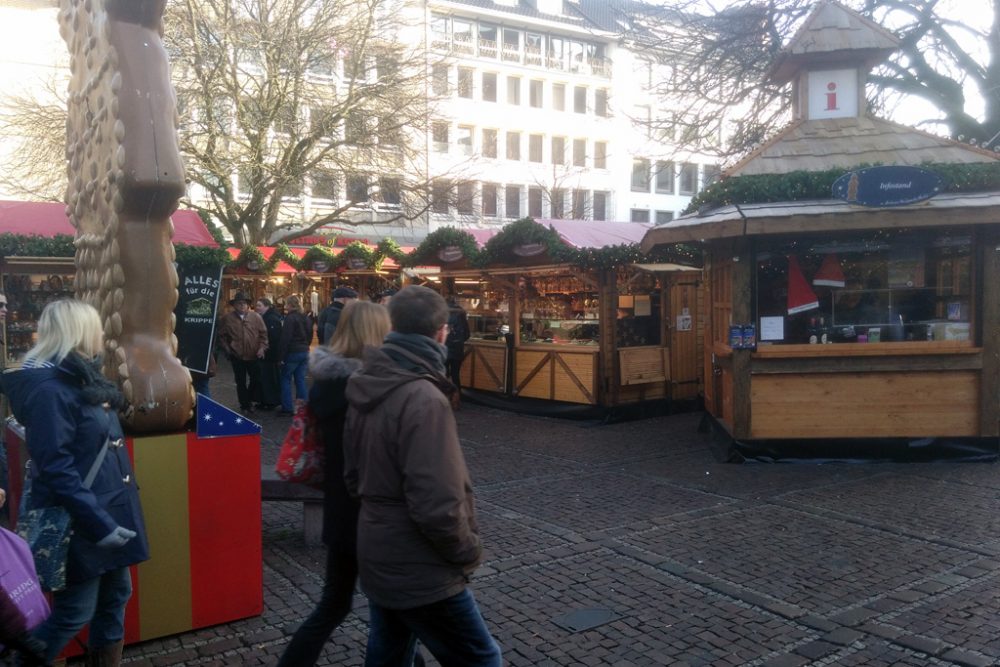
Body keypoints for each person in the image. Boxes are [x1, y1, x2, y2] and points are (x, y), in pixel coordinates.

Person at [344, 285, 501, 667]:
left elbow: (351, 475)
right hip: (419, 565)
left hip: (379, 547)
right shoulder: (423, 398)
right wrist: (467, 550)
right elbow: (436, 504)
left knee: (391, 653)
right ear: (442, 331)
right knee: (482, 658)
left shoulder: (366, 382)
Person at [1, 299, 149, 666]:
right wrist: (100, 525)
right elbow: (57, 468)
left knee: (116, 597)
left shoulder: (81, 377)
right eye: (95, 326)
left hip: (105, 511)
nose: (101, 333)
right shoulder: (51, 389)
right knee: (74, 612)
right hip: (82, 520)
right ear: (80, 331)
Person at [276, 300, 392, 666]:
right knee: (389, 610)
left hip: (340, 509)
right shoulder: (366, 388)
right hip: (370, 512)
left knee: (335, 602)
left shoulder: (326, 382)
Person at [218, 292, 268, 413]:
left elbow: (263, 334)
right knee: (240, 382)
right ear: (234, 305)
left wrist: (262, 348)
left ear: (248, 305)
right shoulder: (227, 318)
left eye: (244, 303)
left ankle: (249, 399)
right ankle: (244, 405)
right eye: (239, 303)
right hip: (237, 356)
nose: (242, 306)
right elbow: (221, 336)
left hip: (253, 355)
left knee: (256, 379)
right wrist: (228, 349)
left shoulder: (256, 317)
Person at [278, 295, 312, 416]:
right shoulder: (305, 317)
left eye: (286, 304)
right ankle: (302, 408)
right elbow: (310, 334)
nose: (285, 306)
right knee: (300, 379)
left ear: (290, 305)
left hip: (292, 352)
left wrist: (281, 357)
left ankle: (287, 407)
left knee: (285, 379)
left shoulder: (290, 318)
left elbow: (285, 338)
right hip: (304, 351)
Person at [256, 297, 283, 409]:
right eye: (257, 305)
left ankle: (270, 401)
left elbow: (273, 337)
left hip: (270, 354)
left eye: (259, 305)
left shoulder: (270, 319)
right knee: (266, 378)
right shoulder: (267, 317)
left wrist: (264, 348)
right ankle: (266, 400)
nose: (257, 308)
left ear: (266, 306)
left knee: (269, 378)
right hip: (268, 354)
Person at [445, 297, 470, 408]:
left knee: (444, 375)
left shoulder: (442, 313)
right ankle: (456, 400)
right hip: (457, 349)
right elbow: (467, 334)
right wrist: (459, 342)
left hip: (444, 348)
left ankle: (445, 399)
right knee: (456, 375)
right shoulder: (461, 314)